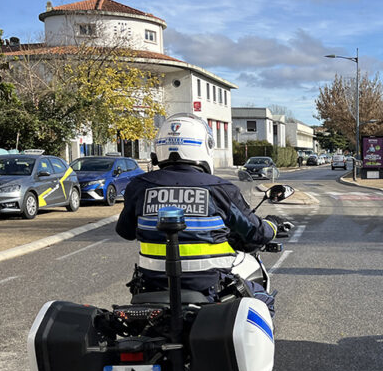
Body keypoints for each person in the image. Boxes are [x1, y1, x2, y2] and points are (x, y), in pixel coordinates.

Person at [116, 113, 289, 313]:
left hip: (152, 285)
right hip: (209, 288)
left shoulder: (139, 186)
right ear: (205, 145)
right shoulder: (219, 188)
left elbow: (125, 231)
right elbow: (256, 233)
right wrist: (272, 226)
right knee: (264, 301)